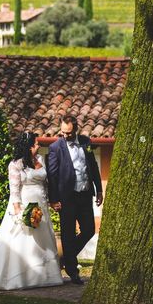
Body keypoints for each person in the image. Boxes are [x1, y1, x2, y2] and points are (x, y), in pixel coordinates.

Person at [0, 132, 63, 291]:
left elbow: (46, 184)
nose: (39, 145)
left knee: (43, 240)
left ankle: (44, 276)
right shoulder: (15, 164)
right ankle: (22, 277)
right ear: (29, 145)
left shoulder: (40, 160)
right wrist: (19, 212)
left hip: (42, 205)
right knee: (25, 241)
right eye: (36, 143)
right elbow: (15, 191)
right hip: (26, 205)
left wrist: (50, 202)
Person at [47, 115, 103, 285]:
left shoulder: (86, 142)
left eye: (69, 133)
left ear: (76, 129)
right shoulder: (56, 147)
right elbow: (52, 175)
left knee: (89, 230)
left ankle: (66, 256)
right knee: (68, 234)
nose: (65, 136)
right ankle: (73, 271)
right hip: (66, 198)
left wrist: (99, 189)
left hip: (85, 195)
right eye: (63, 133)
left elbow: (93, 166)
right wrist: (53, 199)